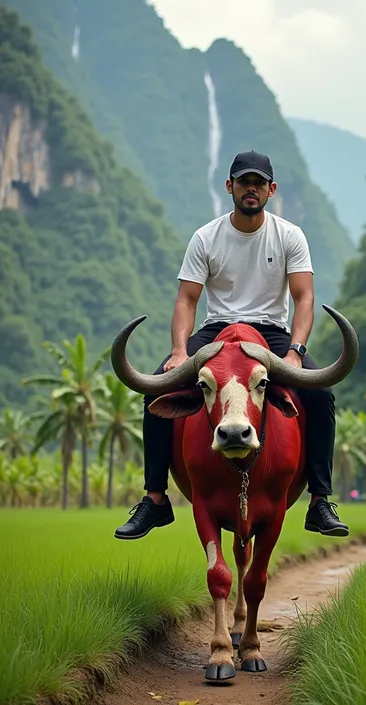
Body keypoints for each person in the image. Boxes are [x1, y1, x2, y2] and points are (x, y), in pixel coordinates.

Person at [114, 150, 349, 540]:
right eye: (244, 182)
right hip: (217, 331)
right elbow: (187, 299)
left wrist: (295, 351)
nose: (251, 189)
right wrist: (178, 352)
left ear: (271, 190)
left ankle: (320, 500)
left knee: (321, 392)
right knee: (155, 385)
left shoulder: (289, 235)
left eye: (259, 183)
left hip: (272, 332)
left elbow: (304, 298)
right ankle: (155, 498)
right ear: (230, 187)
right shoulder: (206, 237)